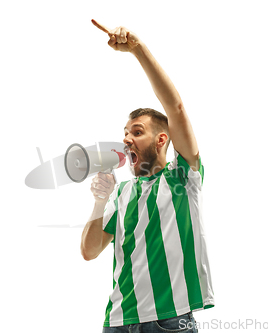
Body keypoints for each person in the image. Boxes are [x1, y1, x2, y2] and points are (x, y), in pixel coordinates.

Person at [81, 20, 215, 333]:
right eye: (125, 133)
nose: (126, 139)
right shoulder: (123, 192)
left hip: (169, 321)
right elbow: (89, 251)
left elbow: (176, 107)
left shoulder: (183, 177)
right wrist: (100, 200)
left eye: (137, 132)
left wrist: (137, 49)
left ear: (162, 139)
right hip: (116, 323)